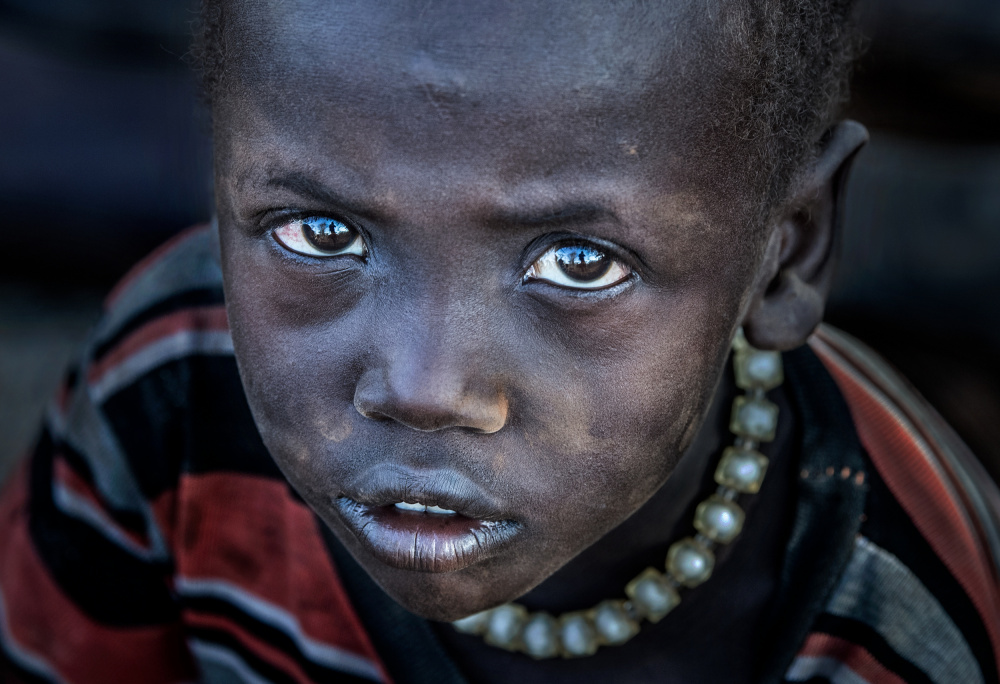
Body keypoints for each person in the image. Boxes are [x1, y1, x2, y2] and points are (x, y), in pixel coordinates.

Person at [2, 1, 999, 682]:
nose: (428, 387)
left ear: (785, 255)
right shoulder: (173, 383)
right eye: (322, 235)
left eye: (578, 262)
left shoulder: (898, 636)